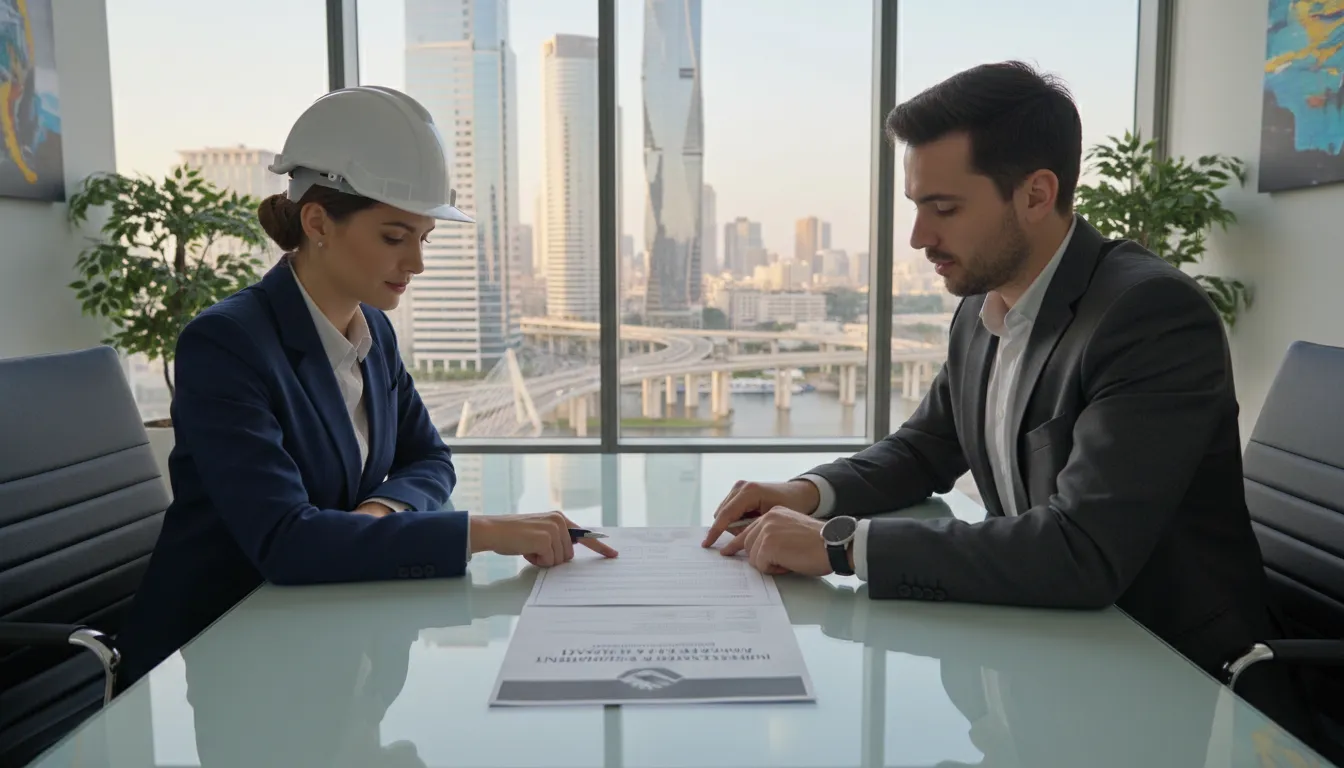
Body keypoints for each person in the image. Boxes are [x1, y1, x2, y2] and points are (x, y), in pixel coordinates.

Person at [703, 61, 1315, 741]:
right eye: (916, 207)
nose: (919, 238)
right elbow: (924, 449)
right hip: (1050, 659)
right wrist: (806, 493)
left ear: (1035, 194)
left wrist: (842, 547)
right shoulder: (985, 306)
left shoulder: (1149, 315)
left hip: (1172, 684)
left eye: (944, 209)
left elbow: (1083, 550)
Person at [116, 86, 615, 690]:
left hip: (333, 641)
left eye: (423, 239)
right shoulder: (226, 345)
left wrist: (377, 513)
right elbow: (286, 541)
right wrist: (484, 533)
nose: (417, 264)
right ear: (318, 221)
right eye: (393, 237)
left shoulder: (371, 328)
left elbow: (428, 457)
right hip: (231, 652)